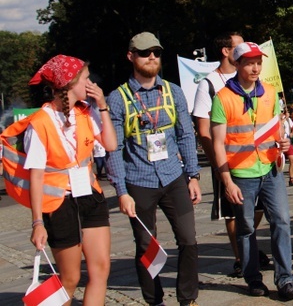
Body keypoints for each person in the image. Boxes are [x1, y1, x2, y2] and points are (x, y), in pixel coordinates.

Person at [107, 32, 202, 306]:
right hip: (139, 181)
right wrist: (122, 191)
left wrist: (193, 175)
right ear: (131, 56)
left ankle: (188, 299)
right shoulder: (118, 98)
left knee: (188, 240)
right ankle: (155, 300)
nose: (151, 57)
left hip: (174, 177)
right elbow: (114, 149)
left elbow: (186, 135)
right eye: (145, 52)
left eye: (156, 52)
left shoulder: (173, 92)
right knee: (147, 248)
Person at [211, 42, 293, 299]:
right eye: (249, 62)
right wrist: (226, 181)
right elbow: (217, 143)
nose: (255, 68)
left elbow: (275, 130)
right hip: (241, 174)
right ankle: (253, 279)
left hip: (270, 168)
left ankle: (286, 280)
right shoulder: (223, 98)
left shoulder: (271, 93)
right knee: (247, 228)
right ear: (237, 64)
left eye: (258, 63)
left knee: (282, 221)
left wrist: (284, 143)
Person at [22, 56, 116, 304]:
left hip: (90, 197)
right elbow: (36, 176)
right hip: (58, 204)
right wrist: (37, 223)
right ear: (70, 83)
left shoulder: (86, 112)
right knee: (70, 279)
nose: (90, 82)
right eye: (85, 78)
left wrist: (102, 105)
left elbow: (111, 144)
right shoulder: (40, 122)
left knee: (100, 270)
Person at [192, 31, 245, 277]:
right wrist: (218, 165)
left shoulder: (247, 77)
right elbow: (203, 131)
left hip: (251, 158)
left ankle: (248, 246)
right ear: (226, 51)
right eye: (239, 47)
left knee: (257, 207)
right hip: (226, 159)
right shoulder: (209, 84)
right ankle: (240, 257)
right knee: (232, 210)